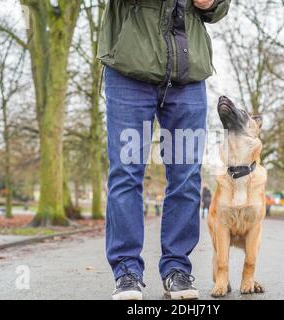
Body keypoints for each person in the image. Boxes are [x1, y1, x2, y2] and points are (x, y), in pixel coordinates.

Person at [99, 0, 231, 300]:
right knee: (126, 173)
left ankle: (177, 269)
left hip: (188, 77)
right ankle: (126, 271)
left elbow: (219, 9)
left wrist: (212, 3)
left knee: (186, 177)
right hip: (129, 71)